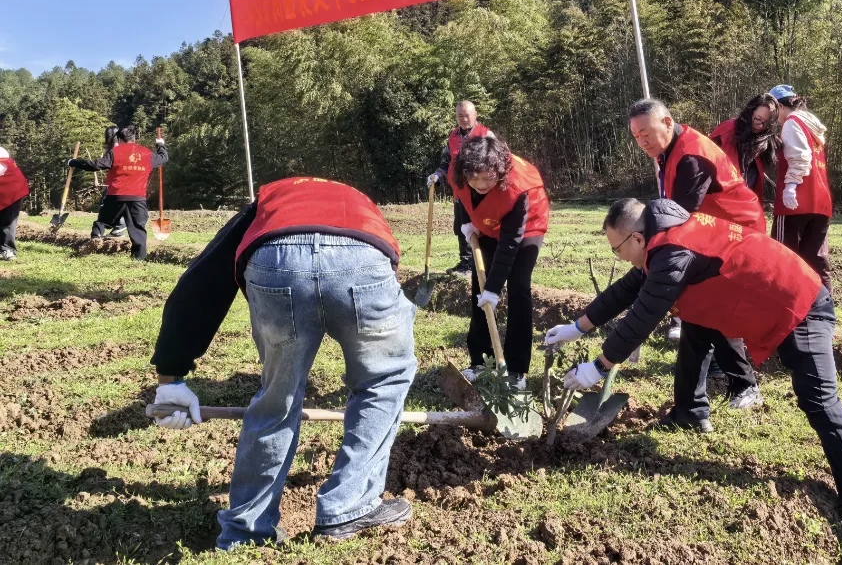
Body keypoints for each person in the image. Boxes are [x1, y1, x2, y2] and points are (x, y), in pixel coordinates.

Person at [544, 198, 842, 565]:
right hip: (772, 298)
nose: (618, 256)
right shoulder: (667, 236)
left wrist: (600, 366)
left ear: (636, 238)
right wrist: (577, 327)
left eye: (616, 249)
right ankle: (690, 411)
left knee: (822, 406)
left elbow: (644, 314)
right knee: (698, 322)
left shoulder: (673, 252)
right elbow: (629, 288)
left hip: (801, 307)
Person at [148, 176, 417, 549]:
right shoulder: (359, 201)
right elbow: (387, 262)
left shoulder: (267, 203)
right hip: (362, 254)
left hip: (277, 260)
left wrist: (171, 377)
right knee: (383, 379)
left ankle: (247, 528)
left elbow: (202, 282)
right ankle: (350, 506)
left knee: (278, 395)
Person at [628, 98, 765, 424]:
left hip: (736, 234)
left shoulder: (691, 156)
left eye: (646, 132)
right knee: (699, 314)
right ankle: (693, 407)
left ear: (666, 122)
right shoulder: (670, 151)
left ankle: (741, 386)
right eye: (636, 136)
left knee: (711, 307)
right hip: (710, 233)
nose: (642, 140)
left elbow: (677, 219)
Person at [449, 134, 548, 390]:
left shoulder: (519, 187)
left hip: (526, 229)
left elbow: (510, 243)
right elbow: (462, 197)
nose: (480, 184)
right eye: (474, 177)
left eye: (488, 178)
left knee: (518, 286)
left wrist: (494, 288)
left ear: (500, 172)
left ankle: (516, 369)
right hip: (488, 223)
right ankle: (480, 363)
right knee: (478, 289)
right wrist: (466, 222)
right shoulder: (460, 172)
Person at [770, 85, 834, 292]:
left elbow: (800, 157)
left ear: (780, 105)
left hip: (796, 202)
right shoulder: (812, 127)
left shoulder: (791, 122)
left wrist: (790, 186)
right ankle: (823, 308)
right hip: (821, 202)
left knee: (783, 256)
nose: (772, 115)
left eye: (772, 109)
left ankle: (784, 306)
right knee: (816, 259)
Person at [68, 126, 167, 260]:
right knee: (138, 228)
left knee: (103, 220)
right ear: (134, 139)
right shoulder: (146, 153)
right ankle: (139, 258)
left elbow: (95, 165)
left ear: (119, 139)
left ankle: (95, 239)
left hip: (116, 196)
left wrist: (74, 162)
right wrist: (160, 144)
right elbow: (163, 157)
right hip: (137, 198)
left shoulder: (115, 152)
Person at [426, 101, 491, 275]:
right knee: (461, 227)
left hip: (480, 193)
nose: (463, 119)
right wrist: (437, 175)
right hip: (459, 192)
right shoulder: (453, 137)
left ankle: (484, 264)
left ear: (475, 114)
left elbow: (496, 162)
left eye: (467, 115)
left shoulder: (485, 135)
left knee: (481, 227)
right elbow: (446, 162)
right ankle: (466, 263)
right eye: (459, 116)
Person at [710, 93, 780, 206]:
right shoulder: (727, 130)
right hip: (721, 196)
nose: (760, 126)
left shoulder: (766, 139)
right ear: (750, 112)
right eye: (758, 119)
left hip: (746, 200)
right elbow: (706, 158)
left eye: (766, 123)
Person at [0, 147, 29, 261]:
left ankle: (8, 250)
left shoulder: (2, 159)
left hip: (12, 192)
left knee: (8, 221)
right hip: (3, 190)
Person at [100, 126, 127, 239]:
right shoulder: (125, 147)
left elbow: (104, 164)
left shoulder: (113, 150)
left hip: (117, 182)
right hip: (126, 180)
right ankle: (118, 229)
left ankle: (119, 225)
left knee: (105, 203)